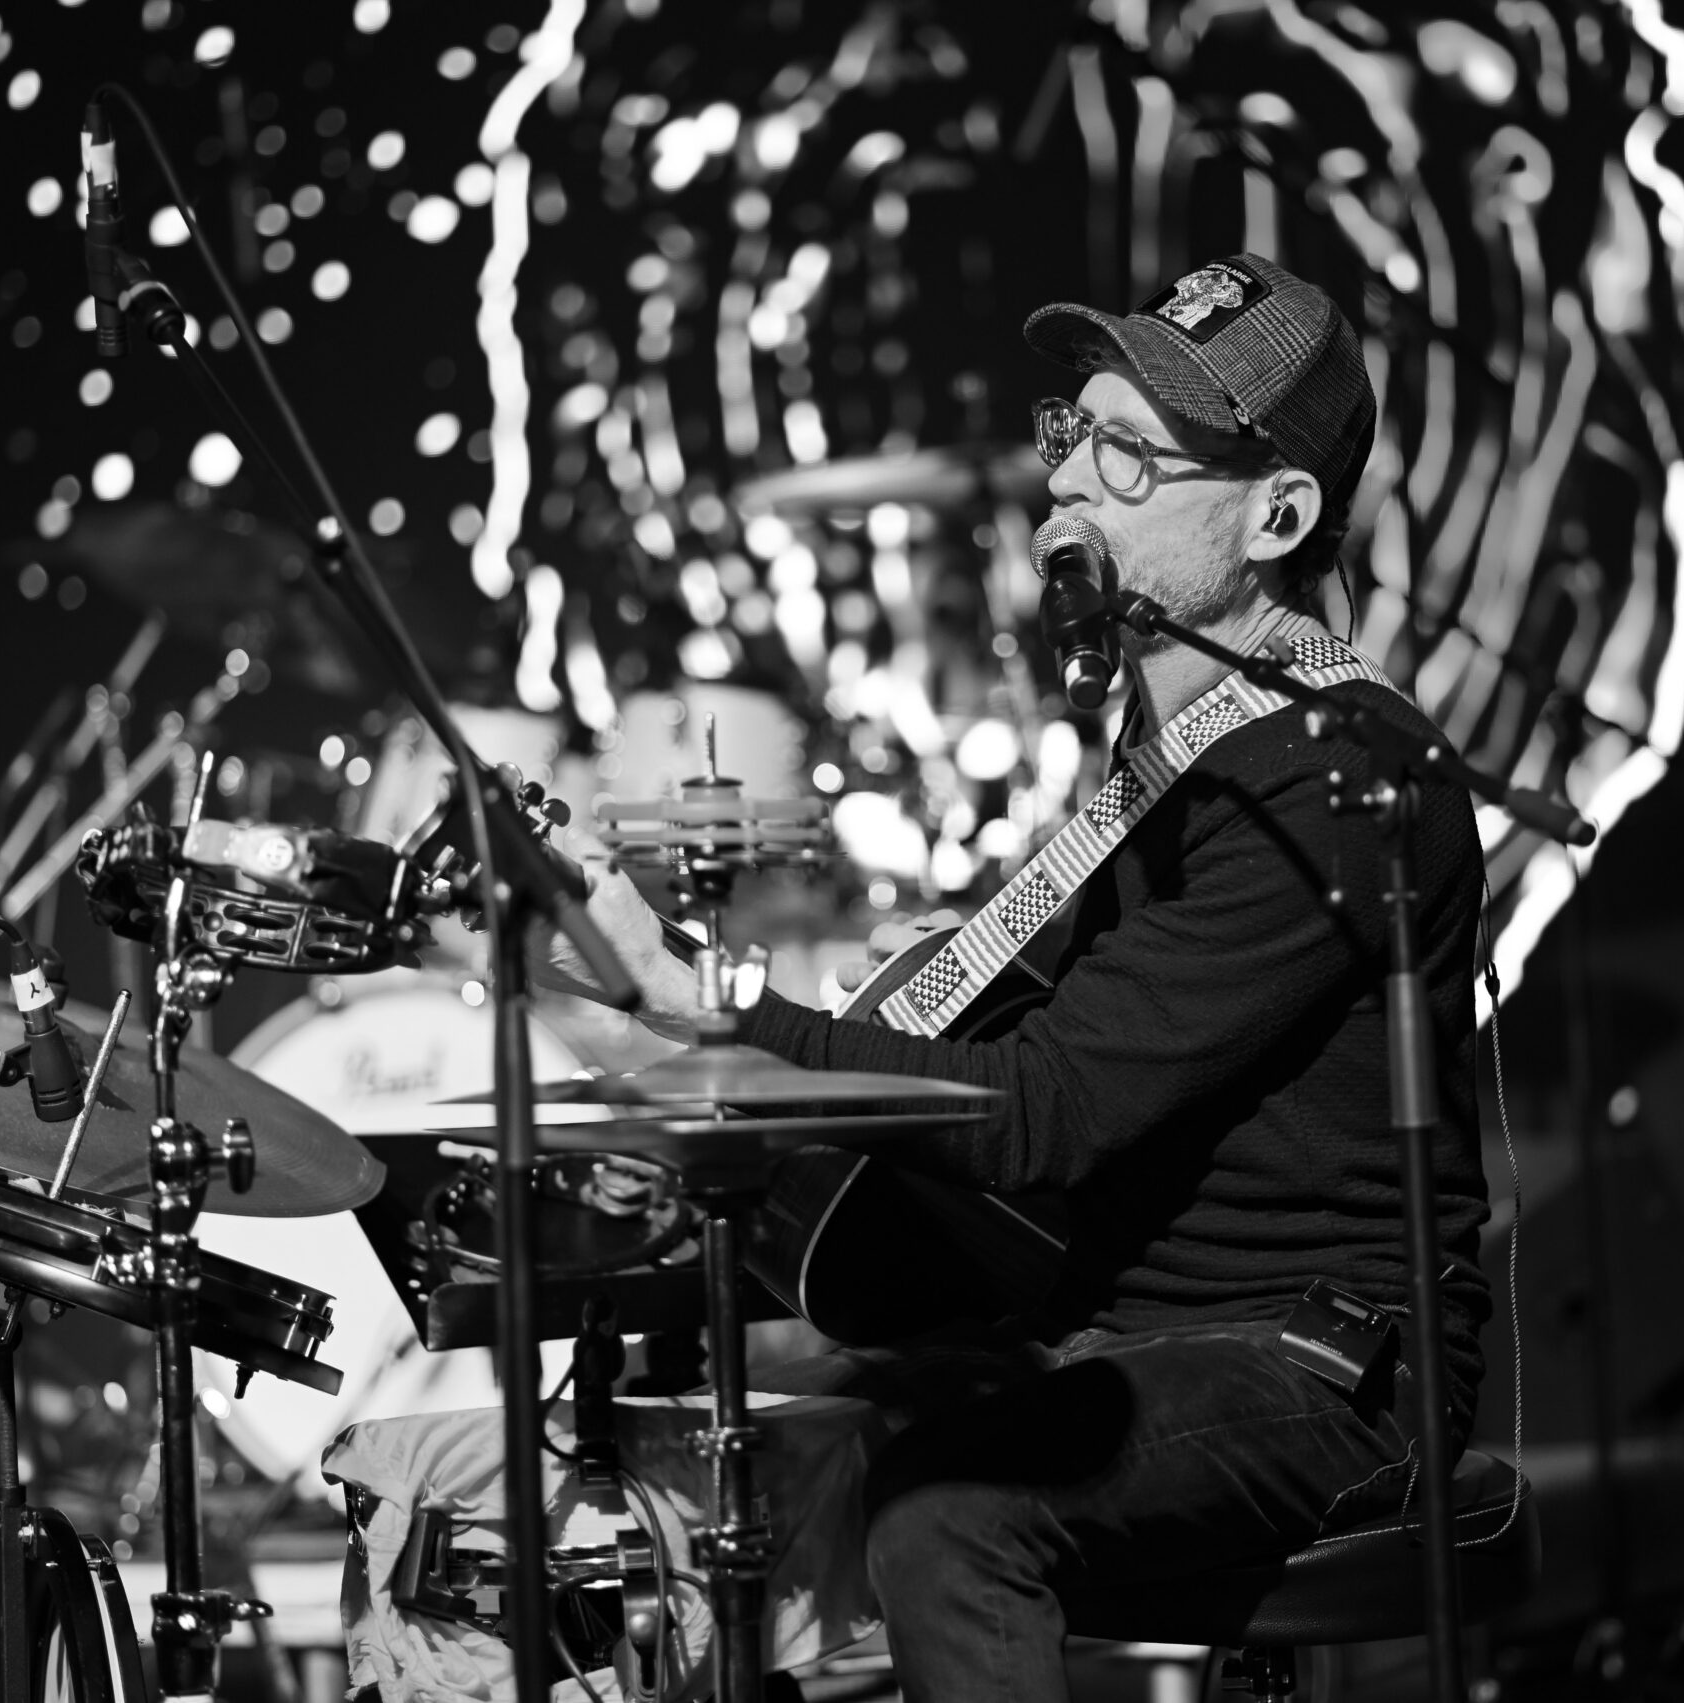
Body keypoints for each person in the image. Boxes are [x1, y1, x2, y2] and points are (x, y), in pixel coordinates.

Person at [543, 254, 1492, 1702]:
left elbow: (1044, 1114)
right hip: (1130, 1320)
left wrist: (708, 1000)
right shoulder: (1172, 755)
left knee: (950, 1517)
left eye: (1129, 456)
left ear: (1278, 516)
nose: (1066, 488)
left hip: (1319, 1361)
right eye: (1074, 436)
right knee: (729, 1422)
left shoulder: (1328, 776)